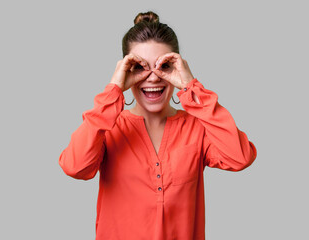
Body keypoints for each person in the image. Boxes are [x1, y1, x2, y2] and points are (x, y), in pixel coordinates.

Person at [59, 11, 257, 240]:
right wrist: (113, 90)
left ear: (178, 68)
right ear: (125, 71)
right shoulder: (107, 128)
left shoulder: (196, 128)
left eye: (164, 66)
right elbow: (74, 166)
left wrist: (191, 87)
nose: (153, 78)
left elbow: (240, 157)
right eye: (139, 67)